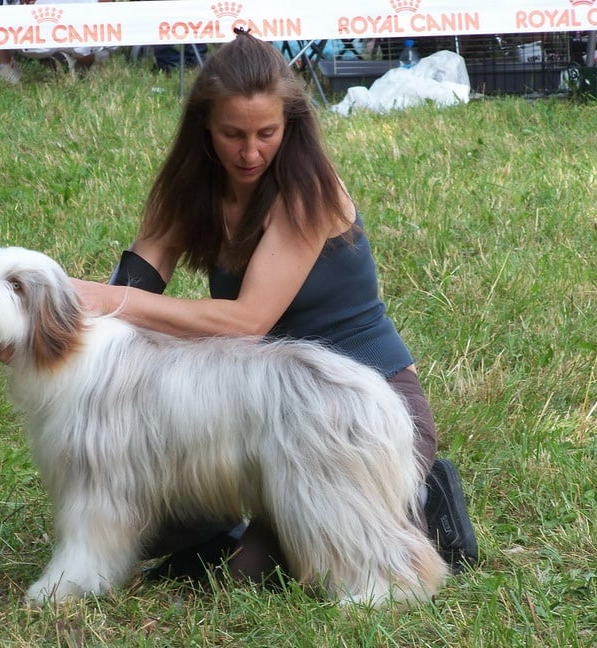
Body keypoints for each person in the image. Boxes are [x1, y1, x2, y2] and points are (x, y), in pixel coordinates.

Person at [68, 29, 478, 581]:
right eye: (232, 134)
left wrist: (111, 300)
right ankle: (258, 515)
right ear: (204, 126)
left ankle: (424, 498)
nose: (250, 152)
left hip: (359, 408)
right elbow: (138, 279)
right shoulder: (192, 188)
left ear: (291, 123)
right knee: (155, 520)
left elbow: (248, 321)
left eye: (267, 133)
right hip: (259, 407)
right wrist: (61, 323)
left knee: (266, 571)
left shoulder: (310, 190)